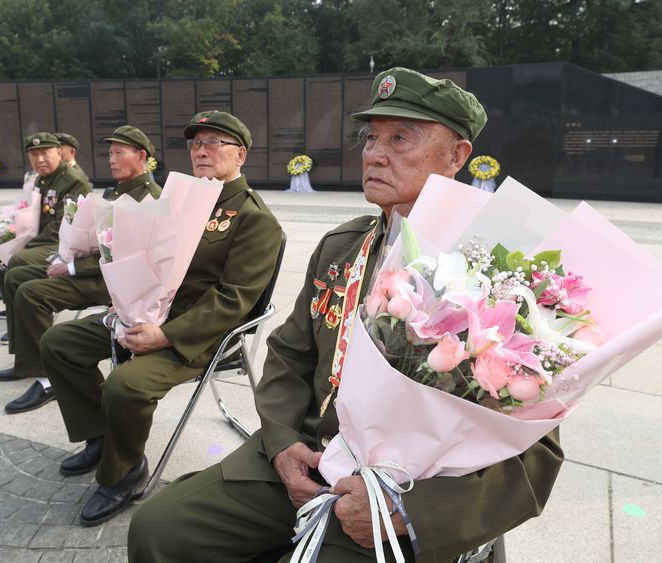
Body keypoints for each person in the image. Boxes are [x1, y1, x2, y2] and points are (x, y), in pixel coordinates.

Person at [127, 68, 564, 562]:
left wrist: (411, 513)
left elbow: (535, 453)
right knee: (158, 530)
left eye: (400, 138)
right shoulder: (343, 247)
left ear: (457, 155)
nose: (375, 154)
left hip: (405, 490)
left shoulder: (498, 276)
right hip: (309, 454)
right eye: (371, 137)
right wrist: (283, 444)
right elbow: (289, 354)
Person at [40, 111, 283, 527]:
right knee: (59, 343)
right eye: (195, 143)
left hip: (197, 334)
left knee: (125, 385)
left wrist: (165, 335)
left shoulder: (254, 218)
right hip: (143, 314)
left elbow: (234, 299)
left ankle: (124, 472)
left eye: (214, 142)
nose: (201, 151)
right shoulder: (177, 200)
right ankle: (101, 437)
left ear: (240, 155)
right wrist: (125, 297)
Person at [0, 127, 163, 415]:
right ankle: (28, 362)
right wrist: (69, 253)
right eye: (110, 153)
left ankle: (47, 379)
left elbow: (137, 259)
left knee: (32, 293)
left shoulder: (150, 199)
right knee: (18, 276)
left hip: (111, 284)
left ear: (141, 156)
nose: (111, 160)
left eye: (119, 153)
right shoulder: (117, 191)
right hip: (97, 271)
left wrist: (72, 267)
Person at [0, 132, 91, 342]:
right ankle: (14, 311)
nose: (40, 159)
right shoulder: (41, 178)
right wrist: (13, 233)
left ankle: (22, 323)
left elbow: (63, 225)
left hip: (60, 243)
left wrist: (27, 243)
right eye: (34, 155)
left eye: (45, 153)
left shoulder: (72, 180)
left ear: (58, 152)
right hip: (42, 238)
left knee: (18, 259)